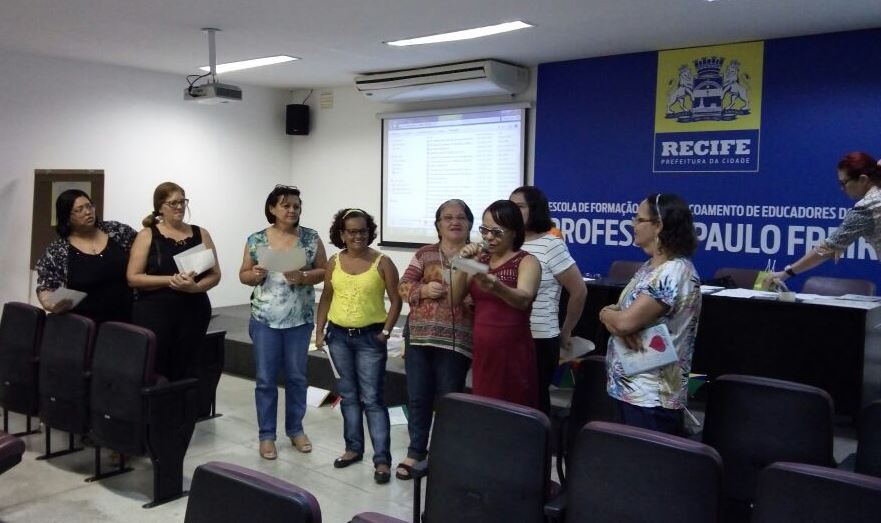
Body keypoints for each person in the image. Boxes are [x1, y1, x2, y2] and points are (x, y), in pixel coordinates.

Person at [598, 193, 701, 435]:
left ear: (659, 225)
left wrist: (611, 318)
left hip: (652, 396)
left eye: (639, 219)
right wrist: (608, 314)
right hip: (629, 388)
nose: (633, 224)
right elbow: (619, 314)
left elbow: (623, 322)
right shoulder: (650, 267)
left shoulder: (673, 271)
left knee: (645, 459)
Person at [239, 185, 327, 460]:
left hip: (299, 320)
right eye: (286, 205)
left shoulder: (311, 238)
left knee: (297, 377)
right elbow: (243, 275)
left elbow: (324, 271)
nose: (292, 210)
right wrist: (255, 275)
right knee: (265, 380)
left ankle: (295, 430)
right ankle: (267, 435)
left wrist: (304, 277)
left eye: (296, 206)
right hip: (265, 319)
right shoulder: (256, 239)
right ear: (272, 209)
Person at [315, 208, 402, 484]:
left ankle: (382, 460)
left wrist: (386, 332)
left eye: (363, 231)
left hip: (370, 339)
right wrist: (320, 330)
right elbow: (326, 297)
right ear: (342, 234)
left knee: (373, 399)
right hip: (338, 337)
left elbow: (396, 300)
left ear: (370, 232)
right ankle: (353, 449)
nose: (358, 236)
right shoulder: (334, 262)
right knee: (348, 396)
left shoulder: (383, 262)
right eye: (351, 231)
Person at [395, 199, 474, 480]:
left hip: (457, 341)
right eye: (448, 217)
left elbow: (484, 293)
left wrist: (465, 295)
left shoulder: (478, 257)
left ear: (470, 224)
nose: (455, 222)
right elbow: (403, 285)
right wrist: (424, 290)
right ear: (438, 225)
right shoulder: (425, 254)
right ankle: (416, 451)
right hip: (419, 337)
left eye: (461, 217)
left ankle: (444, 453)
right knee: (418, 397)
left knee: (449, 399)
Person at [127, 182, 221, 382]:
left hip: (194, 310)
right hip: (156, 313)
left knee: (189, 366)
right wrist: (171, 280)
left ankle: (186, 401)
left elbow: (215, 274)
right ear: (160, 207)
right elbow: (133, 277)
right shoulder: (147, 235)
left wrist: (196, 287)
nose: (179, 207)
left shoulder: (201, 233)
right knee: (159, 366)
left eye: (182, 202)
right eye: (173, 203)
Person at [452, 199, 541, 408]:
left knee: (514, 410)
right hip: (484, 352)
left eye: (497, 232)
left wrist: (498, 287)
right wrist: (463, 262)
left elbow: (523, 299)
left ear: (514, 232)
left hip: (513, 352)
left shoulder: (527, 261)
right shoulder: (480, 260)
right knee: (485, 410)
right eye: (484, 230)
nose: (489, 237)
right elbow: (453, 299)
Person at [510, 186, 587, 414]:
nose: (513, 211)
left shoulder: (551, 244)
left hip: (540, 337)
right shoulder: (506, 242)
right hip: (508, 335)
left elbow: (579, 291)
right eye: (510, 206)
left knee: (533, 403)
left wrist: (566, 330)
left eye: (520, 206)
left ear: (535, 210)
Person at [767, 151, 881, 285]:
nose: (842, 189)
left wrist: (786, 273)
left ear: (863, 180)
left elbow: (825, 250)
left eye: (844, 183)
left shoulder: (867, 207)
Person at [35, 189, 136, 324]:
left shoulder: (117, 231)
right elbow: (45, 287)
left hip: (127, 320)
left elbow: (144, 248)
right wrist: (51, 304)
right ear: (66, 217)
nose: (88, 212)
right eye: (79, 210)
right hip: (85, 325)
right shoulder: (58, 251)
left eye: (89, 206)